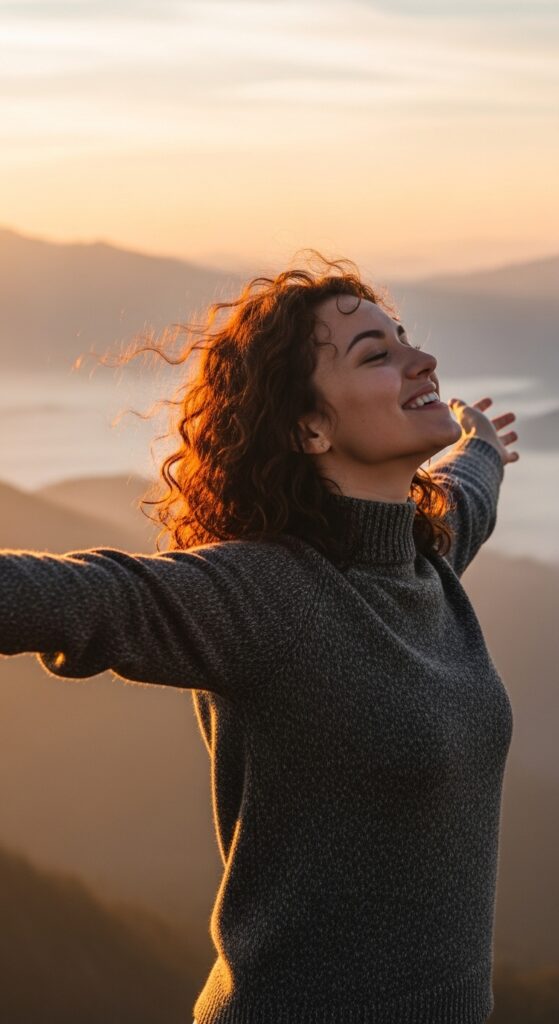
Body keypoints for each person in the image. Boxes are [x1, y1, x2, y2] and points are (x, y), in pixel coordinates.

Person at [0, 252, 519, 1023]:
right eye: (378, 354)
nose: (422, 359)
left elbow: (467, 491)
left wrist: (479, 443)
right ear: (309, 426)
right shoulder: (266, 596)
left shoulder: (425, 552)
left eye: (404, 336)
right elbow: (78, 598)